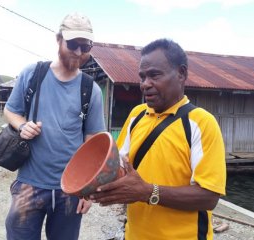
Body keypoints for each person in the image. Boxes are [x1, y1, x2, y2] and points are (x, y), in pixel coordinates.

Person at [90, 38, 226, 240]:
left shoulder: (201, 123)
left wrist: (147, 192)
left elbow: (209, 197)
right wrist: (95, 186)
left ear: (181, 74)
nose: (145, 84)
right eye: (142, 77)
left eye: (154, 75)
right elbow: (118, 166)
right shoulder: (137, 115)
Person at [3, 12, 105, 240]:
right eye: (73, 44)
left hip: (70, 189)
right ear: (58, 39)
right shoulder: (33, 74)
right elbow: (10, 110)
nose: (79, 52)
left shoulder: (91, 90)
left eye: (85, 46)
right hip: (29, 184)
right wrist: (22, 126)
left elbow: (93, 143)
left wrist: (87, 192)